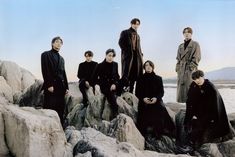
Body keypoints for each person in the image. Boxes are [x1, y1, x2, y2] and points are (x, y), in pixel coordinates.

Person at [184, 70, 230, 150]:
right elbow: (190, 101)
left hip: (210, 113)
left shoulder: (210, 87)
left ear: (203, 77)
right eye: (194, 79)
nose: (197, 81)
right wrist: (192, 114)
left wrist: (210, 118)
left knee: (200, 127)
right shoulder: (194, 85)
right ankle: (188, 144)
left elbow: (215, 106)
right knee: (187, 124)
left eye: (198, 78)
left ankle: (192, 146)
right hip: (198, 111)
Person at [136, 60, 175, 138]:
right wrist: (143, 98)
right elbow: (137, 92)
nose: (148, 67)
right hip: (144, 102)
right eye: (146, 65)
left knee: (160, 110)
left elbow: (161, 92)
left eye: (150, 65)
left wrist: (156, 98)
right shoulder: (140, 78)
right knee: (142, 119)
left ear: (152, 67)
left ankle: (159, 134)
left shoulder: (158, 78)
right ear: (144, 68)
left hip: (156, 101)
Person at [41, 36, 69, 125]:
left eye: (60, 42)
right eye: (57, 42)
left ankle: (60, 129)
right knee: (49, 107)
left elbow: (64, 73)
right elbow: (45, 70)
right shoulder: (45, 54)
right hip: (51, 85)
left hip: (61, 87)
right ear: (52, 43)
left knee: (60, 108)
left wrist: (67, 87)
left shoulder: (62, 59)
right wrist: (49, 85)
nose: (59, 44)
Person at [91, 49, 120, 119]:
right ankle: (115, 113)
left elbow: (117, 76)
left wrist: (115, 84)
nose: (111, 57)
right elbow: (93, 78)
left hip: (113, 84)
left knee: (124, 81)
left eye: (112, 56)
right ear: (106, 55)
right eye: (109, 55)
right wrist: (97, 84)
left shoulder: (115, 64)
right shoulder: (99, 65)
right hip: (104, 85)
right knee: (111, 96)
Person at [176, 27, 201, 103]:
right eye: (185, 32)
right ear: (183, 34)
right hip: (181, 71)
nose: (186, 34)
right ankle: (186, 110)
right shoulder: (180, 46)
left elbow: (197, 57)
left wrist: (190, 68)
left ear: (191, 34)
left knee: (191, 90)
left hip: (190, 71)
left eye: (188, 32)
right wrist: (178, 69)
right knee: (182, 93)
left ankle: (193, 110)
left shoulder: (195, 44)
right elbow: (178, 59)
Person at [118, 18, 143, 93]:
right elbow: (120, 43)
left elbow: (139, 47)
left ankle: (131, 92)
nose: (136, 25)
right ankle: (121, 91)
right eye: (135, 24)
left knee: (135, 74)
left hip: (137, 58)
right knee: (126, 74)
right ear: (131, 24)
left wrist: (141, 54)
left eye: (138, 24)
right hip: (128, 56)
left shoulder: (138, 36)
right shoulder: (125, 32)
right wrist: (127, 51)